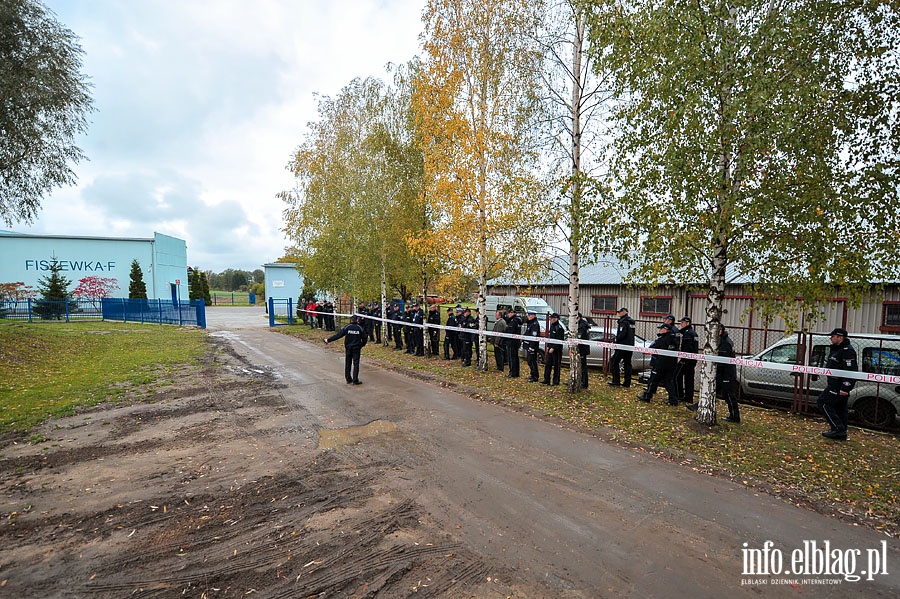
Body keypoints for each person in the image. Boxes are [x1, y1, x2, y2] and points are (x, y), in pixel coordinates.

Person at [818, 327, 858, 440]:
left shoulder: (847, 351)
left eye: (833, 336)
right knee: (840, 408)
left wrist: (846, 387)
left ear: (840, 337)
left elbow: (851, 370)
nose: (831, 338)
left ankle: (838, 429)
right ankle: (841, 433)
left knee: (823, 403)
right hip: (834, 383)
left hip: (838, 385)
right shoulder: (836, 350)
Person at [637, 323, 679, 404]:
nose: (660, 330)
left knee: (653, 381)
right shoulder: (674, 339)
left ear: (665, 329)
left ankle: (647, 396)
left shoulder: (662, 339)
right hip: (671, 364)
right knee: (669, 382)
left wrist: (647, 351)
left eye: (661, 329)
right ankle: (673, 400)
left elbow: (651, 349)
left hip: (659, 364)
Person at [324, 313, 367, 385]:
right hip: (356, 348)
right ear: (357, 320)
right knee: (356, 364)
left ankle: (348, 379)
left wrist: (328, 340)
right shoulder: (360, 328)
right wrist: (362, 345)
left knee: (348, 363)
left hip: (348, 348)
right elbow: (365, 338)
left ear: (351, 320)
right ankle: (355, 380)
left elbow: (338, 335)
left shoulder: (347, 327)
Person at [608, 307, 635, 387]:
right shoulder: (631, 322)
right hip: (630, 345)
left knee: (614, 362)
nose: (618, 314)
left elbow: (622, 334)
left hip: (622, 346)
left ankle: (616, 381)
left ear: (624, 312)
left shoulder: (623, 322)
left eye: (620, 312)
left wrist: (616, 340)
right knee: (627, 364)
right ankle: (627, 382)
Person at [674, 317, 699, 403]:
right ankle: (689, 397)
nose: (681, 324)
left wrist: (683, 358)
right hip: (693, 359)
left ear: (687, 323)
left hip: (686, 360)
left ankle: (679, 394)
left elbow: (687, 348)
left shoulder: (688, 334)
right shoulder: (693, 333)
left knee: (676, 375)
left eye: (682, 322)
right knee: (689, 379)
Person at [542, 313, 565, 386]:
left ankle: (556, 381)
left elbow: (559, 340)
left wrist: (553, 348)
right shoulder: (552, 326)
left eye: (552, 318)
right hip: (551, 348)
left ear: (556, 318)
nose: (551, 320)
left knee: (556, 366)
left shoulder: (559, 328)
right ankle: (546, 379)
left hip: (557, 350)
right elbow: (550, 338)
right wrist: (548, 346)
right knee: (548, 364)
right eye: (550, 318)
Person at [523, 310, 542, 382]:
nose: (528, 317)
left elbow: (534, 337)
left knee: (532, 361)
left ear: (533, 315)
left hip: (532, 347)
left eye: (530, 315)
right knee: (529, 361)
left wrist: (531, 347)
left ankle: (535, 376)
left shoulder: (535, 324)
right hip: (528, 345)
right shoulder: (530, 323)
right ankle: (532, 375)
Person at [505, 308, 522, 378]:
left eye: (508, 313)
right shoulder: (516, 320)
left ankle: (512, 373)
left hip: (512, 342)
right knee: (515, 358)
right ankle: (515, 372)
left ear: (512, 313)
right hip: (514, 342)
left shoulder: (513, 321)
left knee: (512, 358)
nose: (508, 315)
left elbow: (510, 331)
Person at [576, 313, 591, 389]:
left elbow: (580, 338)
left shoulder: (582, 326)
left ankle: (584, 382)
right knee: (579, 365)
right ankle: (578, 380)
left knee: (583, 366)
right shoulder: (582, 324)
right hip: (582, 348)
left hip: (582, 349)